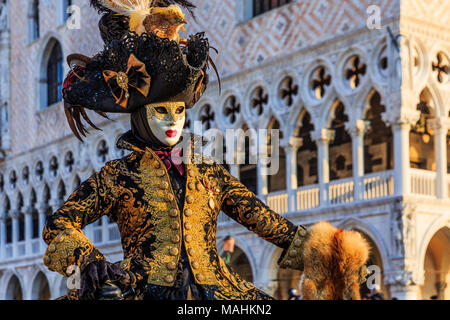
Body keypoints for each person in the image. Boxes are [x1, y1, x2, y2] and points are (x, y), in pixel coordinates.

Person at [42, 0, 369, 300]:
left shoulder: (208, 172)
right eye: (161, 111)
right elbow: (59, 224)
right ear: (141, 116)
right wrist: (90, 262)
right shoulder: (117, 175)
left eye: (179, 111)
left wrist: (328, 253)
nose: (173, 121)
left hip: (219, 295)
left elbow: (262, 219)